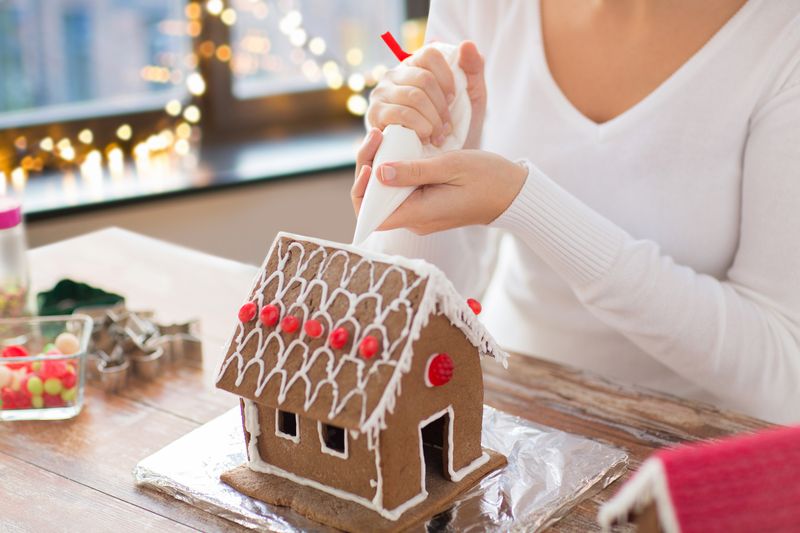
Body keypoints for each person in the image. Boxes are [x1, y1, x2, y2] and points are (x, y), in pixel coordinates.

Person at [351, 0, 800, 424]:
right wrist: (417, 160)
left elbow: (783, 380)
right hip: (506, 415)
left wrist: (527, 203)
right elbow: (408, 320)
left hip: (688, 451)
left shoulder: (781, 37)